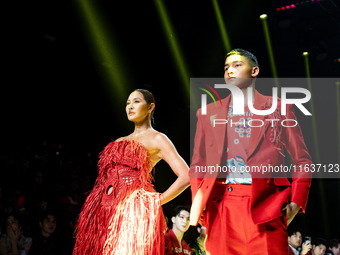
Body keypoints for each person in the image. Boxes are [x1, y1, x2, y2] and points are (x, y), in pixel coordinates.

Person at [189, 49, 313, 254]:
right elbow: (198, 164)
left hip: (267, 206)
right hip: (223, 205)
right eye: (226, 67)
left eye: (237, 65)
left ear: (254, 71)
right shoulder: (207, 113)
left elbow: (302, 160)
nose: (230, 71)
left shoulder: (279, 108)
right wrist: (198, 204)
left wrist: (296, 202)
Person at [73, 89, 190, 255]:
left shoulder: (157, 139)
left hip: (132, 214)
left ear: (150, 107)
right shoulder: (120, 141)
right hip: (103, 212)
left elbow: (186, 175)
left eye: (136, 101)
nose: (130, 106)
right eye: (128, 103)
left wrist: (156, 201)